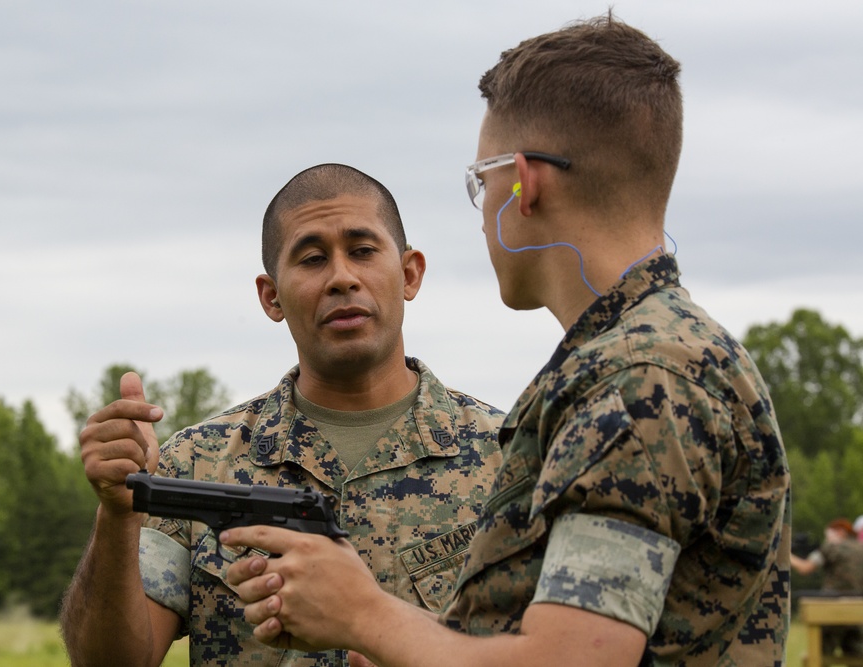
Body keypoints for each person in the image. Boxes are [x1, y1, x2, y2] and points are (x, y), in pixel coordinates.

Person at [224, 14, 791, 666]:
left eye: (481, 179)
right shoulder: (645, 357)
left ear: (524, 182)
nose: (483, 206)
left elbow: (570, 660)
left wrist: (365, 612)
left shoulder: (639, 379)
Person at [58, 163, 505, 667]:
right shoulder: (195, 464)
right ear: (272, 297)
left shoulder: (508, 457)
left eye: (362, 251)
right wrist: (117, 514)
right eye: (312, 259)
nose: (342, 278)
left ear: (409, 274)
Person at [791, 518, 863, 656]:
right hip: (859, 612)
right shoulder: (861, 548)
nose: (827, 539)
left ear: (840, 532)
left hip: (831, 610)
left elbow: (805, 568)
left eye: (828, 534)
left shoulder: (832, 548)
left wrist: (785, 556)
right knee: (856, 656)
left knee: (821, 655)